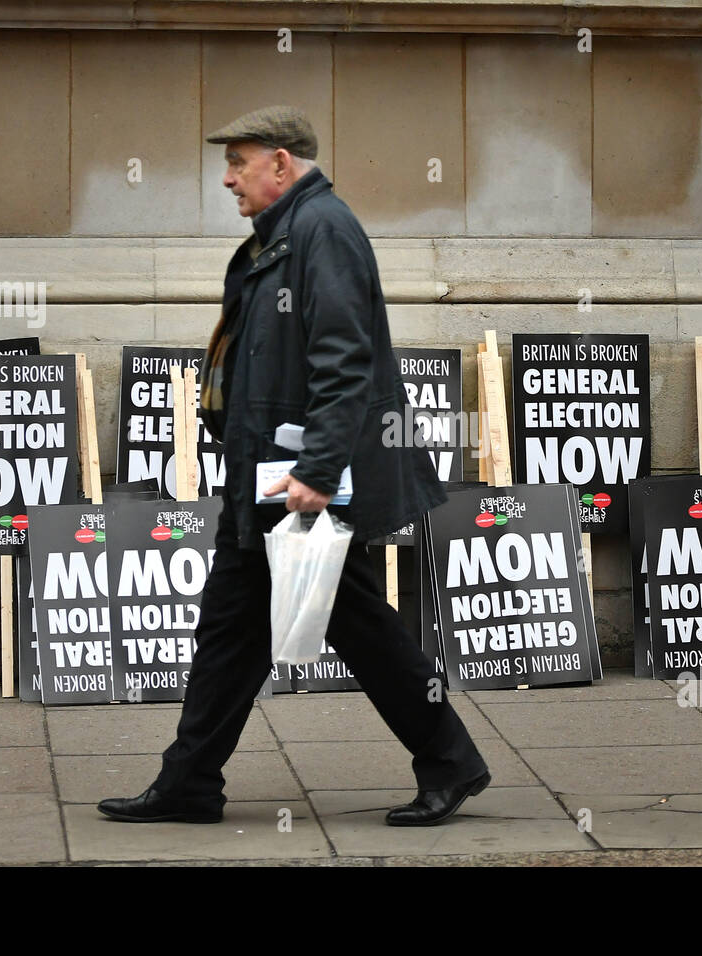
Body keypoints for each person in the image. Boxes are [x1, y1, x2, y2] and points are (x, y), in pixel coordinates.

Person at [98, 105, 491, 827]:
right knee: (230, 628)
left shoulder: (322, 230)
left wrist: (315, 468)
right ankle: (189, 781)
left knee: (357, 625)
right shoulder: (284, 234)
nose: (227, 178)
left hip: (303, 481)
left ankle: (451, 759)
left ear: (280, 163)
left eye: (238, 162)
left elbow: (345, 361)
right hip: (267, 474)